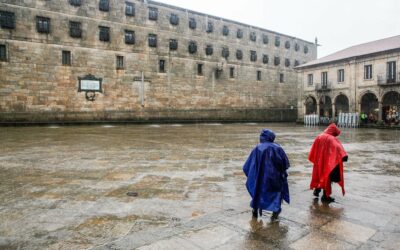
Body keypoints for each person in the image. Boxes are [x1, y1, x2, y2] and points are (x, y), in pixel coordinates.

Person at [243, 129, 290, 220]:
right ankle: (275, 211)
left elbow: (248, 165)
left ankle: (255, 209)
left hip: (260, 177)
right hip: (274, 177)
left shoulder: (257, 148)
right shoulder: (277, 148)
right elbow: (284, 163)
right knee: (275, 193)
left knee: (258, 192)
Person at [309, 123, 348, 203]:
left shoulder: (319, 136)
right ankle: (325, 196)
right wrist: (344, 157)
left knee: (319, 175)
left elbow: (314, 150)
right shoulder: (332, 139)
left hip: (319, 161)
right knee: (327, 178)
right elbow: (338, 148)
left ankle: (317, 190)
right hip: (327, 162)